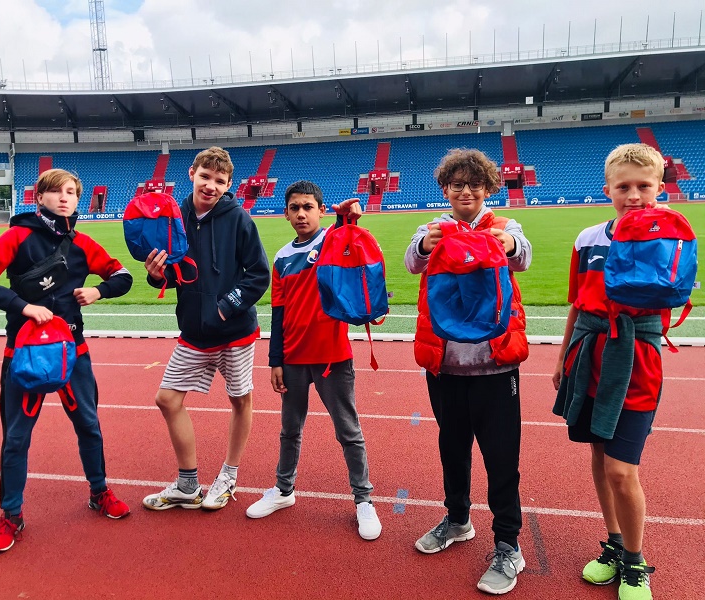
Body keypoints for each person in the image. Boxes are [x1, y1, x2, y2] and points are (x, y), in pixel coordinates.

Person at [0, 168, 134, 554]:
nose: (65, 197)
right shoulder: (17, 236)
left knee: (89, 426)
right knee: (16, 438)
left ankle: (99, 492)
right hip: (25, 354)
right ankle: (11, 515)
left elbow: (123, 276)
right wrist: (23, 306)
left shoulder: (83, 243)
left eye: (72, 192)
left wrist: (100, 291)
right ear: (40, 197)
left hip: (73, 354)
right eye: (56, 191)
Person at [404, 149, 532, 595]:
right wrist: (426, 244)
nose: (466, 191)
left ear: (488, 189)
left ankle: (508, 544)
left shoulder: (504, 225)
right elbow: (412, 262)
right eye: (457, 184)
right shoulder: (433, 228)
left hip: (496, 364)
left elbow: (523, 257)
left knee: (501, 457)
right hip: (446, 365)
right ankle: (458, 519)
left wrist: (508, 244)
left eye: (475, 184)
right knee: (452, 447)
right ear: (445, 189)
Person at [552, 143, 669, 600]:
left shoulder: (669, 237)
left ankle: (636, 563)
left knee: (622, 469)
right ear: (608, 190)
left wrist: (649, 238)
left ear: (660, 188)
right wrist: (562, 359)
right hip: (589, 358)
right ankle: (616, 544)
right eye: (624, 187)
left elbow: (670, 298)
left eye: (644, 186)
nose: (634, 196)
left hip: (636, 364)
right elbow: (577, 304)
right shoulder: (587, 239)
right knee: (600, 457)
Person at [245, 180, 382, 540]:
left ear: (321, 210)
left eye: (308, 207)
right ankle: (283, 490)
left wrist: (348, 219)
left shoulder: (331, 241)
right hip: (292, 357)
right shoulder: (281, 258)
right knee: (289, 429)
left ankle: (364, 500)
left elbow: (347, 237)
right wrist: (275, 360)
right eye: (295, 208)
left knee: (348, 431)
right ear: (286, 214)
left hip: (332, 356)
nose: (301, 214)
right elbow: (278, 313)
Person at [142, 147, 270, 512]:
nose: (211, 186)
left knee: (240, 399)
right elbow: (173, 272)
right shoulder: (174, 218)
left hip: (235, 330)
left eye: (219, 180)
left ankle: (228, 476)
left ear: (228, 185)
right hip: (195, 331)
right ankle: (187, 484)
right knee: (167, 399)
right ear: (192, 174)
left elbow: (258, 274)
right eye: (205, 177)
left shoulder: (239, 219)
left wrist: (225, 307)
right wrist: (157, 275)